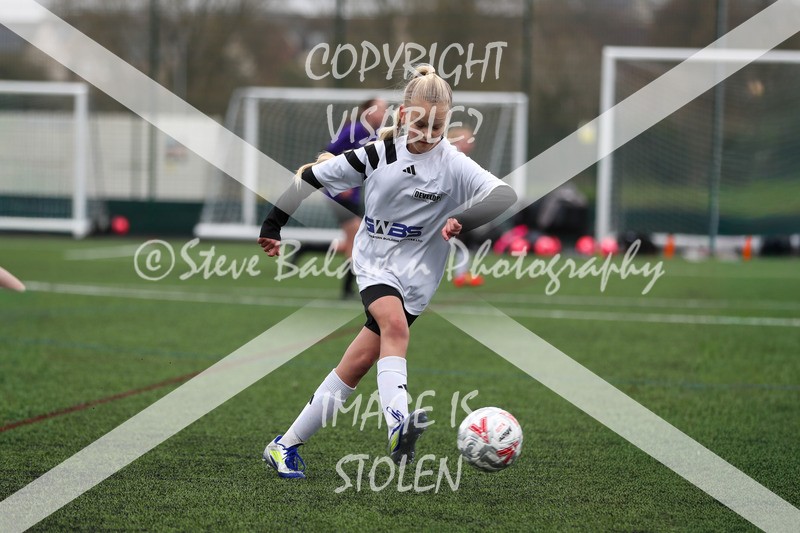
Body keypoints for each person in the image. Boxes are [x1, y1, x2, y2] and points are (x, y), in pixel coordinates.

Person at [257, 64, 517, 479]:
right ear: (401, 115)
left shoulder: (451, 163)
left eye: (437, 126)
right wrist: (273, 226)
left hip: (418, 279)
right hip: (375, 263)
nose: (428, 134)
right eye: (419, 123)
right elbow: (310, 177)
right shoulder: (377, 155)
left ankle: (284, 446)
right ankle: (399, 424)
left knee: (356, 363)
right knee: (395, 328)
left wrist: (463, 220)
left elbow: (504, 194)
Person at [325, 98, 388, 299]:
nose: (383, 113)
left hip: (354, 196)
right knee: (356, 241)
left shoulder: (378, 135)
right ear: (367, 112)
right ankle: (348, 290)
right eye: (380, 109)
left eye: (385, 109)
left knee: (355, 240)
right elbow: (327, 154)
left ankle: (349, 288)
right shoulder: (353, 130)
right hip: (338, 195)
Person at [446, 125, 486, 288]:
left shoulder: (457, 156)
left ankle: (461, 274)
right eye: (467, 139)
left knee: (465, 239)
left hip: (453, 207)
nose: (471, 144)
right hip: (443, 208)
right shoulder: (451, 154)